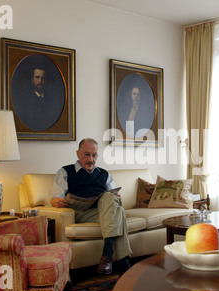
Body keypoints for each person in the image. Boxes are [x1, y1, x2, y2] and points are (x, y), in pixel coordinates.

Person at [51, 138, 131, 275]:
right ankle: (122, 262)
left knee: (110, 198)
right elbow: (55, 198)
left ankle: (108, 256)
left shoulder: (104, 174)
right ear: (78, 154)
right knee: (118, 211)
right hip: (80, 212)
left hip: (101, 211)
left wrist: (116, 197)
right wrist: (56, 201)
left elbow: (113, 198)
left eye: (94, 155)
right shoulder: (65, 172)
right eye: (87, 154)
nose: (91, 159)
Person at [12, 66, 65, 131]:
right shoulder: (23, 100)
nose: (40, 81)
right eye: (37, 77)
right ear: (32, 80)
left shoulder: (53, 101)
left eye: (43, 78)